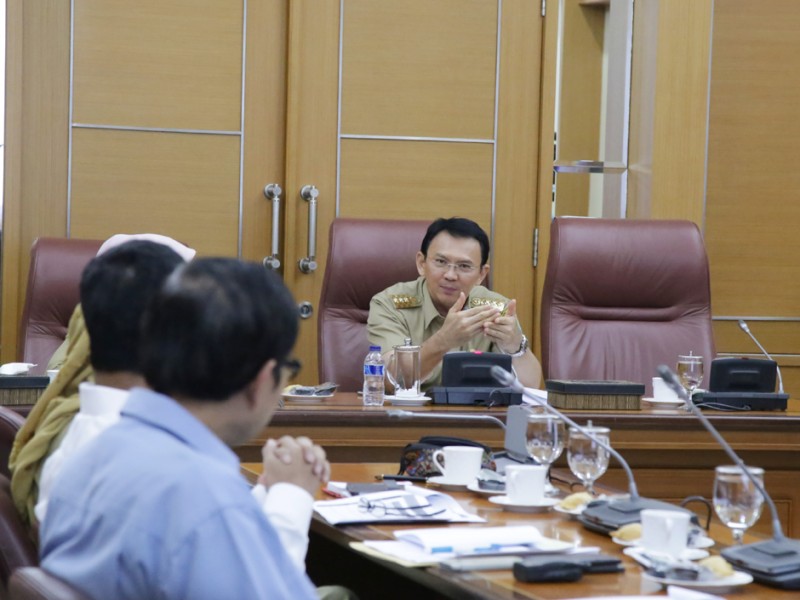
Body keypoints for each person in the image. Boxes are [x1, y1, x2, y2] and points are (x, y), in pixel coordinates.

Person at [39, 258, 322, 599]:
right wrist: (292, 495)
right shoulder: (204, 499)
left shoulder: (88, 455)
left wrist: (264, 493)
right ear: (261, 381)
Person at [368, 217, 542, 391]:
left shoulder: (494, 308)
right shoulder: (389, 304)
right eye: (441, 262)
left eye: (464, 266)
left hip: (473, 408)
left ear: (481, 274)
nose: (450, 275)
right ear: (422, 264)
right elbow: (389, 380)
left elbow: (530, 387)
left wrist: (514, 345)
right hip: (409, 407)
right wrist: (444, 340)